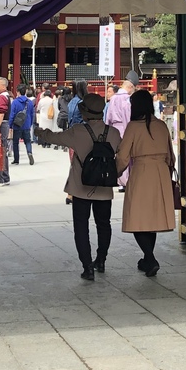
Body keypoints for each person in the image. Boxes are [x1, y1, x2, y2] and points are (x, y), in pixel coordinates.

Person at [35, 93, 119, 281]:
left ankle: (87, 266)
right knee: (104, 225)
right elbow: (120, 158)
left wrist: (40, 132)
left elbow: (54, 137)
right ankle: (101, 260)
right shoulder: (113, 133)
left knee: (81, 226)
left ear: (85, 112)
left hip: (80, 186)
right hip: (104, 187)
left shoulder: (77, 131)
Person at [115, 90, 175, 277]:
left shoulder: (134, 126)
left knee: (138, 217)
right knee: (152, 218)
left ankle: (149, 257)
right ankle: (148, 259)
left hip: (141, 172)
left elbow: (123, 157)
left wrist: (115, 173)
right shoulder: (161, 126)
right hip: (160, 173)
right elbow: (171, 156)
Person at [9, 86, 35, 165]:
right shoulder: (29, 102)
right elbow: (32, 114)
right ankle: (29, 152)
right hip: (26, 124)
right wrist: (30, 124)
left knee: (15, 142)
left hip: (17, 125)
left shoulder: (15, 102)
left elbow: (12, 114)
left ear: (18, 92)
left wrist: (10, 125)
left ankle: (16, 159)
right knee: (27, 141)